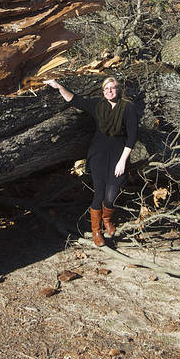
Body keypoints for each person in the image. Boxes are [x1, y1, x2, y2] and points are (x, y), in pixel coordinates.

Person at [44, 76, 138, 246]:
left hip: (119, 155)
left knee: (111, 194)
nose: (109, 91)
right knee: (99, 194)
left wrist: (123, 161)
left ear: (118, 89)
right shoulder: (97, 105)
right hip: (98, 154)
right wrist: (58, 86)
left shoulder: (128, 108)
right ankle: (97, 231)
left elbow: (132, 137)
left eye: (112, 88)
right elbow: (75, 100)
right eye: (106, 89)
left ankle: (107, 218)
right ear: (103, 92)